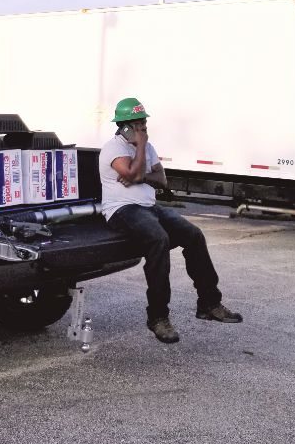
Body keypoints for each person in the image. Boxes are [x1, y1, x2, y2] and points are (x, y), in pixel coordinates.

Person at [99, 97, 242, 344]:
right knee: (159, 240)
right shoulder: (113, 149)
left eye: (144, 123)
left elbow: (162, 180)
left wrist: (140, 175)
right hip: (122, 209)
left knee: (194, 235)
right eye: (138, 124)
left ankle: (209, 304)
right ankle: (157, 317)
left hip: (149, 207)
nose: (144, 128)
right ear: (124, 127)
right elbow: (131, 173)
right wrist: (140, 151)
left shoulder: (148, 147)